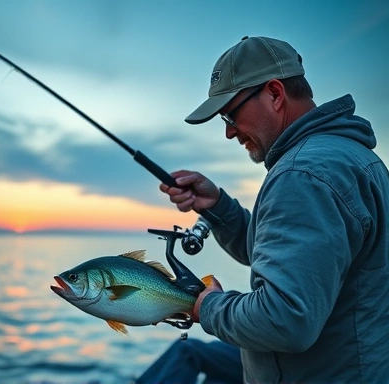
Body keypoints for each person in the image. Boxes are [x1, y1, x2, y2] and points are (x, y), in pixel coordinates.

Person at [139, 36, 389, 383]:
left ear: (274, 94)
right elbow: (296, 260)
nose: (228, 132)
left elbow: (285, 320)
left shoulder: (302, 175)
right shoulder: (352, 157)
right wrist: (219, 207)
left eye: (230, 114)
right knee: (190, 353)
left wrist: (207, 307)